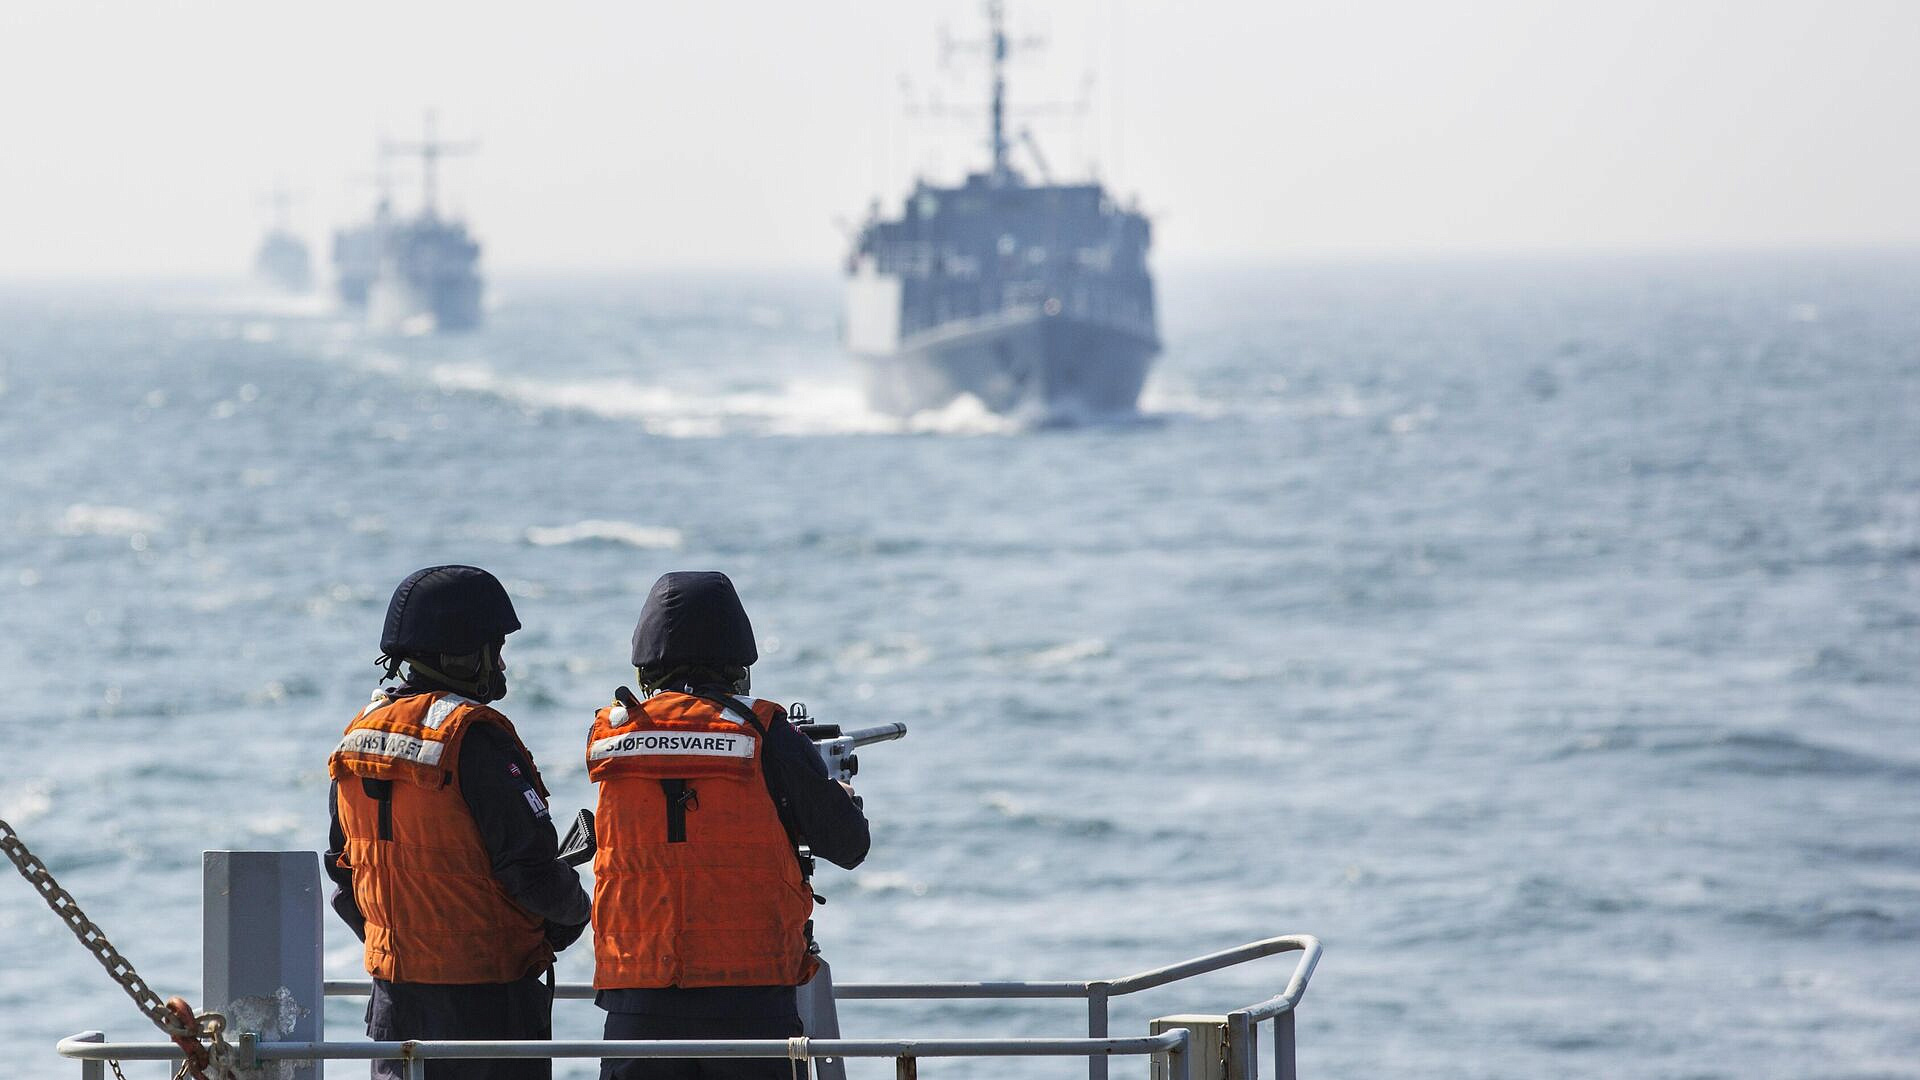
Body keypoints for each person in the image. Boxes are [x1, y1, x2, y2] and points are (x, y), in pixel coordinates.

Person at [588, 571, 871, 1080]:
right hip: (748, 999)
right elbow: (849, 844)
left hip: (636, 998)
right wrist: (840, 796)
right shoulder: (765, 731)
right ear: (737, 661)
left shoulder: (614, 736)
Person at [326, 564, 591, 1080]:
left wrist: (405, 944)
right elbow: (531, 871)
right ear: (463, 655)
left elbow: (344, 873)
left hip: (393, 1009)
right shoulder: (474, 739)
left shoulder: (357, 738)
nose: (502, 665)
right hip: (488, 1010)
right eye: (496, 650)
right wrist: (575, 912)